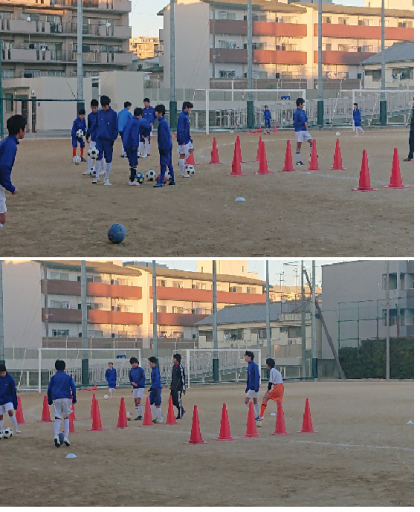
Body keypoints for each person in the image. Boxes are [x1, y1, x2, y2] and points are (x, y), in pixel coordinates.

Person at [0, 114, 26, 230]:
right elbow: (4, 167)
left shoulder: (6, 141)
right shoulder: (11, 145)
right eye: (25, 129)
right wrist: (10, 187)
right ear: (20, 130)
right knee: (2, 218)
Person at [47, 359, 77, 448]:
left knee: (57, 417)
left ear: (55, 368)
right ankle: (66, 437)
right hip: (66, 397)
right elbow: (73, 387)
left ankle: (56, 436)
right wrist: (74, 398)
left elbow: (49, 389)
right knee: (66, 417)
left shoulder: (53, 378)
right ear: (64, 367)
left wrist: (49, 399)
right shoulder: (68, 377)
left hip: (56, 398)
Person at [93, 95, 118, 186]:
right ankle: (97, 176)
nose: (104, 107)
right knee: (98, 156)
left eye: (105, 106)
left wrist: (113, 138)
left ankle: (106, 178)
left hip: (108, 139)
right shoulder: (99, 113)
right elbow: (96, 124)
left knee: (108, 159)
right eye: (102, 106)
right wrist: (89, 132)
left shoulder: (113, 114)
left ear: (108, 104)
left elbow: (115, 128)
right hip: (99, 138)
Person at [123, 107, 152, 186]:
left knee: (131, 162)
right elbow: (134, 134)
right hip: (131, 144)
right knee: (134, 163)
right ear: (141, 115)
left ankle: (131, 178)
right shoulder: (136, 123)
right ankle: (132, 180)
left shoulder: (129, 121)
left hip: (126, 144)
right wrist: (134, 145)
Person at [155, 104, 175, 188]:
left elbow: (163, 136)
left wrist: (162, 147)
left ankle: (161, 181)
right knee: (169, 163)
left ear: (160, 113)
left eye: (156, 112)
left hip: (165, 146)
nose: (155, 113)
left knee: (163, 164)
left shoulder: (162, 123)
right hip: (168, 145)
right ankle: (173, 179)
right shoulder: (164, 122)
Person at [0, 363, 20, 435]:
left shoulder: (10, 379)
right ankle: (0, 431)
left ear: (6, 371)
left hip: (8, 399)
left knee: (10, 411)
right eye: (0, 373)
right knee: (0, 415)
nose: (2, 374)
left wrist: (15, 403)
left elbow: (13, 392)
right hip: (0, 400)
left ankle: (16, 428)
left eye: (3, 372)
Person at [84, 98, 101, 176]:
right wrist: (87, 135)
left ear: (97, 107)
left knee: (100, 154)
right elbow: (90, 126)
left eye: (95, 108)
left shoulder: (100, 115)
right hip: (93, 137)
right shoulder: (90, 116)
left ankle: (103, 170)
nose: (94, 109)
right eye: (92, 108)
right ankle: (89, 169)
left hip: (100, 137)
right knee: (90, 153)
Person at [293, 98, 313, 166]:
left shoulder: (303, 112)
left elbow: (306, 119)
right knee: (299, 145)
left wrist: (306, 122)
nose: (303, 105)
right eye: (302, 104)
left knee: (311, 141)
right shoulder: (296, 113)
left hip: (304, 130)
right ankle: (298, 161)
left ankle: (312, 155)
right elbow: (295, 123)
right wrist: (302, 123)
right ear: (300, 104)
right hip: (299, 131)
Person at [177, 101, 194, 178]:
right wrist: (181, 140)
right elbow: (180, 129)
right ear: (186, 108)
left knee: (191, 149)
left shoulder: (185, 116)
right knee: (182, 155)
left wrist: (189, 138)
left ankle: (181, 163)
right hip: (183, 139)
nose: (190, 110)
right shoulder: (182, 116)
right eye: (189, 108)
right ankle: (182, 172)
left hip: (187, 138)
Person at [244, 350, 260, 420]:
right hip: (251, 387)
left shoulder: (254, 365)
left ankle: (255, 415)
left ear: (250, 357)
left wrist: (256, 386)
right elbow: (249, 378)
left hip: (253, 387)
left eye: (246, 356)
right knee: (255, 401)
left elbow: (257, 376)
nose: (245, 358)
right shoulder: (249, 365)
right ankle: (259, 415)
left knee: (246, 401)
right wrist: (247, 387)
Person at [170, 353, 186, 419]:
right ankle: (182, 409)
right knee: (173, 400)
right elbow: (173, 377)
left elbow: (183, 378)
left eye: (174, 358)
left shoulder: (180, 368)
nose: (173, 360)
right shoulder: (174, 367)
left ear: (177, 359)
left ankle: (180, 414)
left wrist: (184, 388)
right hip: (173, 387)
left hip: (178, 387)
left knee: (178, 400)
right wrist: (171, 385)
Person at [148, 357, 163, 424]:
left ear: (153, 363)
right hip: (154, 388)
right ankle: (157, 416)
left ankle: (160, 418)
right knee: (149, 402)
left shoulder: (156, 370)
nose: (149, 364)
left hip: (156, 388)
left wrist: (153, 387)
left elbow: (156, 380)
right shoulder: (153, 370)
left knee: (157, 404)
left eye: (150, 363)